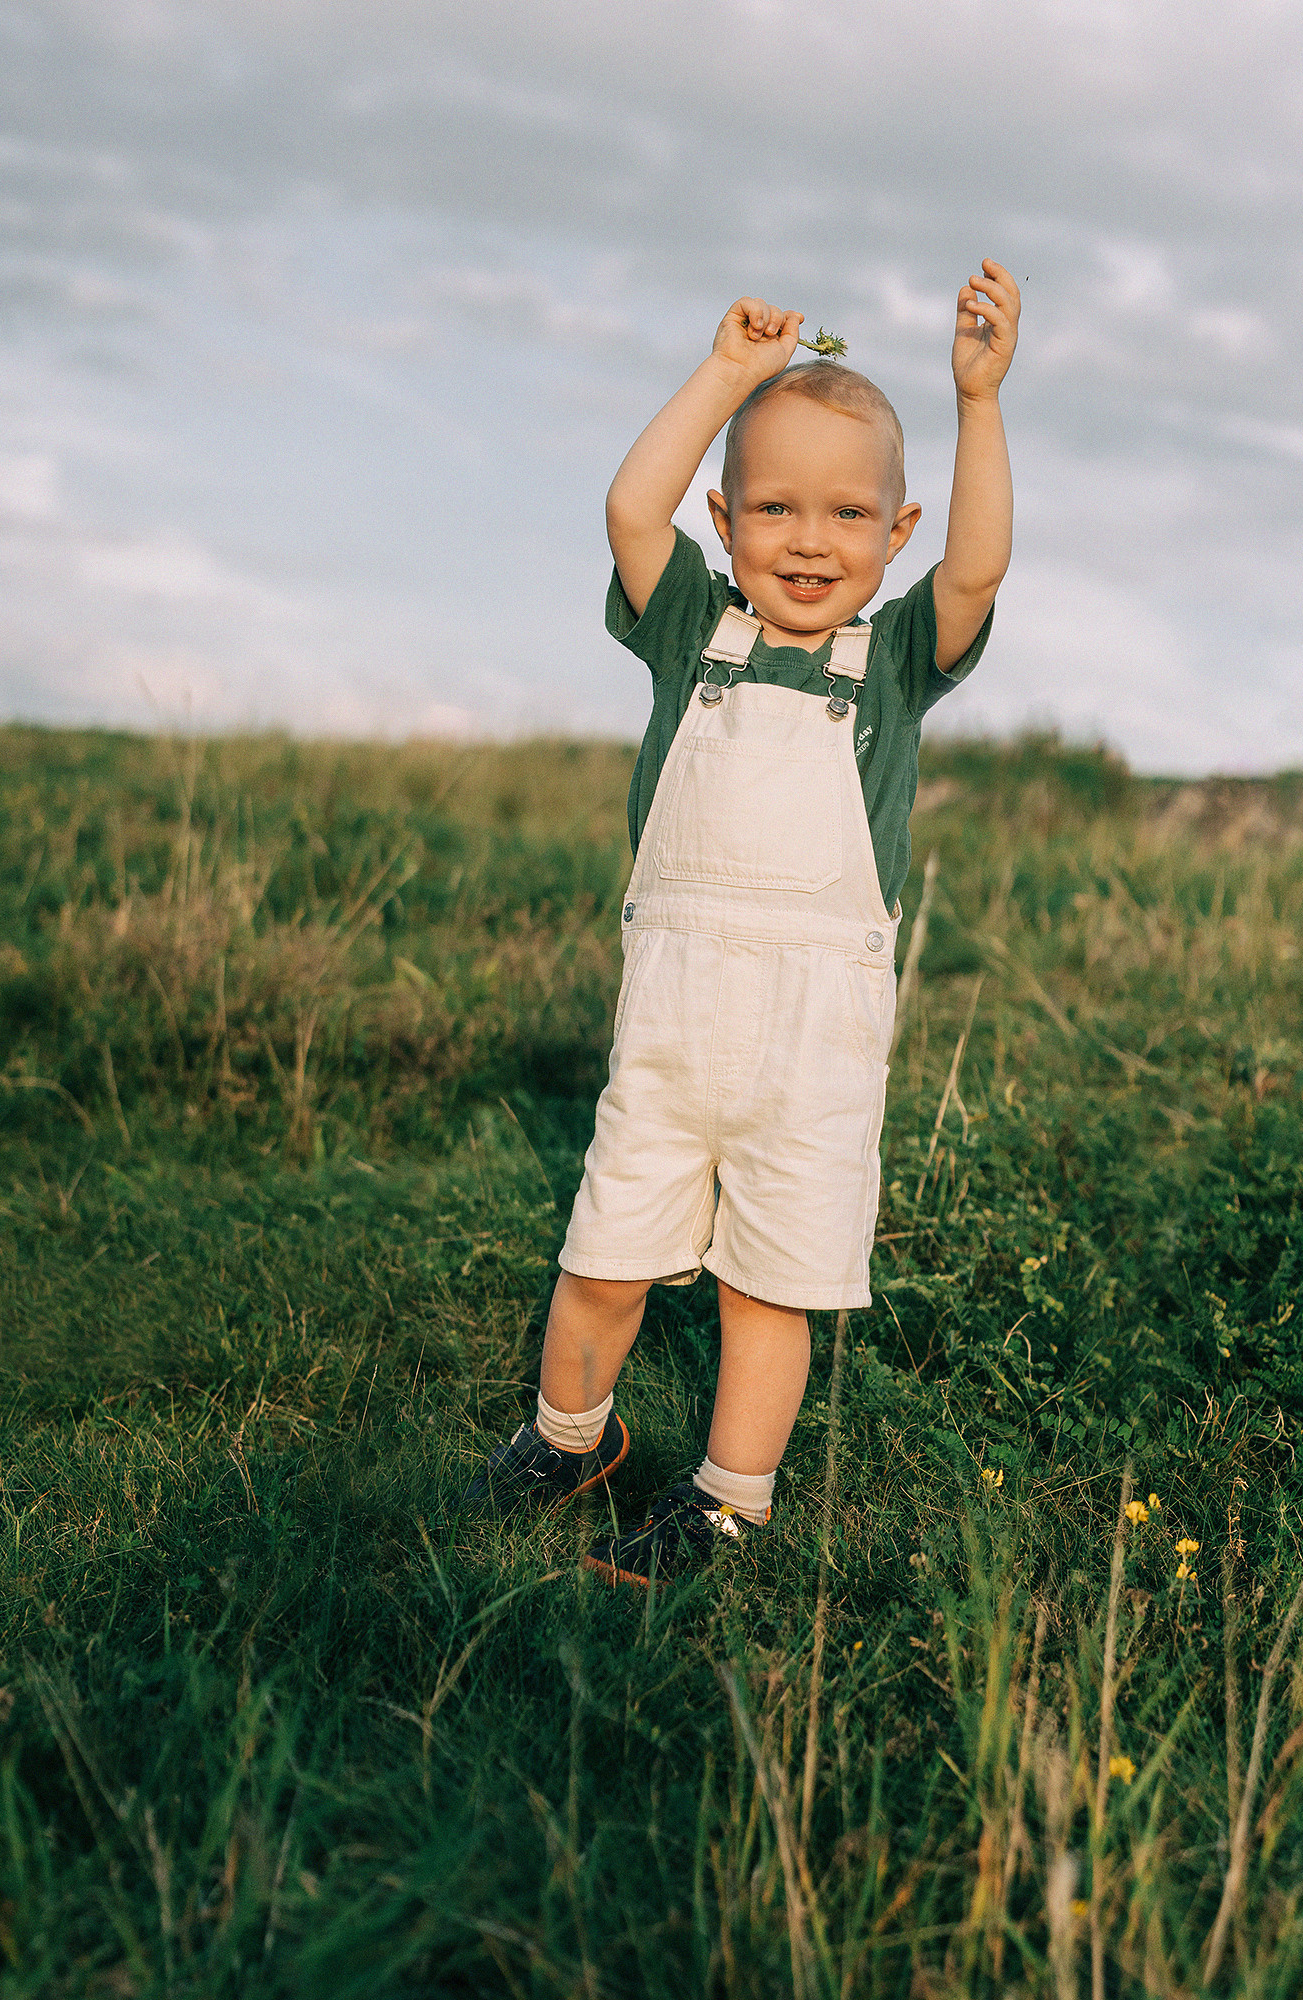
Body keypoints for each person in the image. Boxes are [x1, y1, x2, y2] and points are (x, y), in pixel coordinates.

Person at [465, 263, 1020, 1584]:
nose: (811, 540)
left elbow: (983, 569)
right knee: (602, 1257)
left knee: (765, 1291)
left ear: (897, 532)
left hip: (811, 1054)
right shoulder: (687, 634)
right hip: (669, 1032)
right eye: (774, 508)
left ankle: (727, 1500)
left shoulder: (887, 665)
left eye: (848, 514)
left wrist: (977, 399)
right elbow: (626, 506)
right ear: (726, 519)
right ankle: (569, 1435)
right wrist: (726, 375)